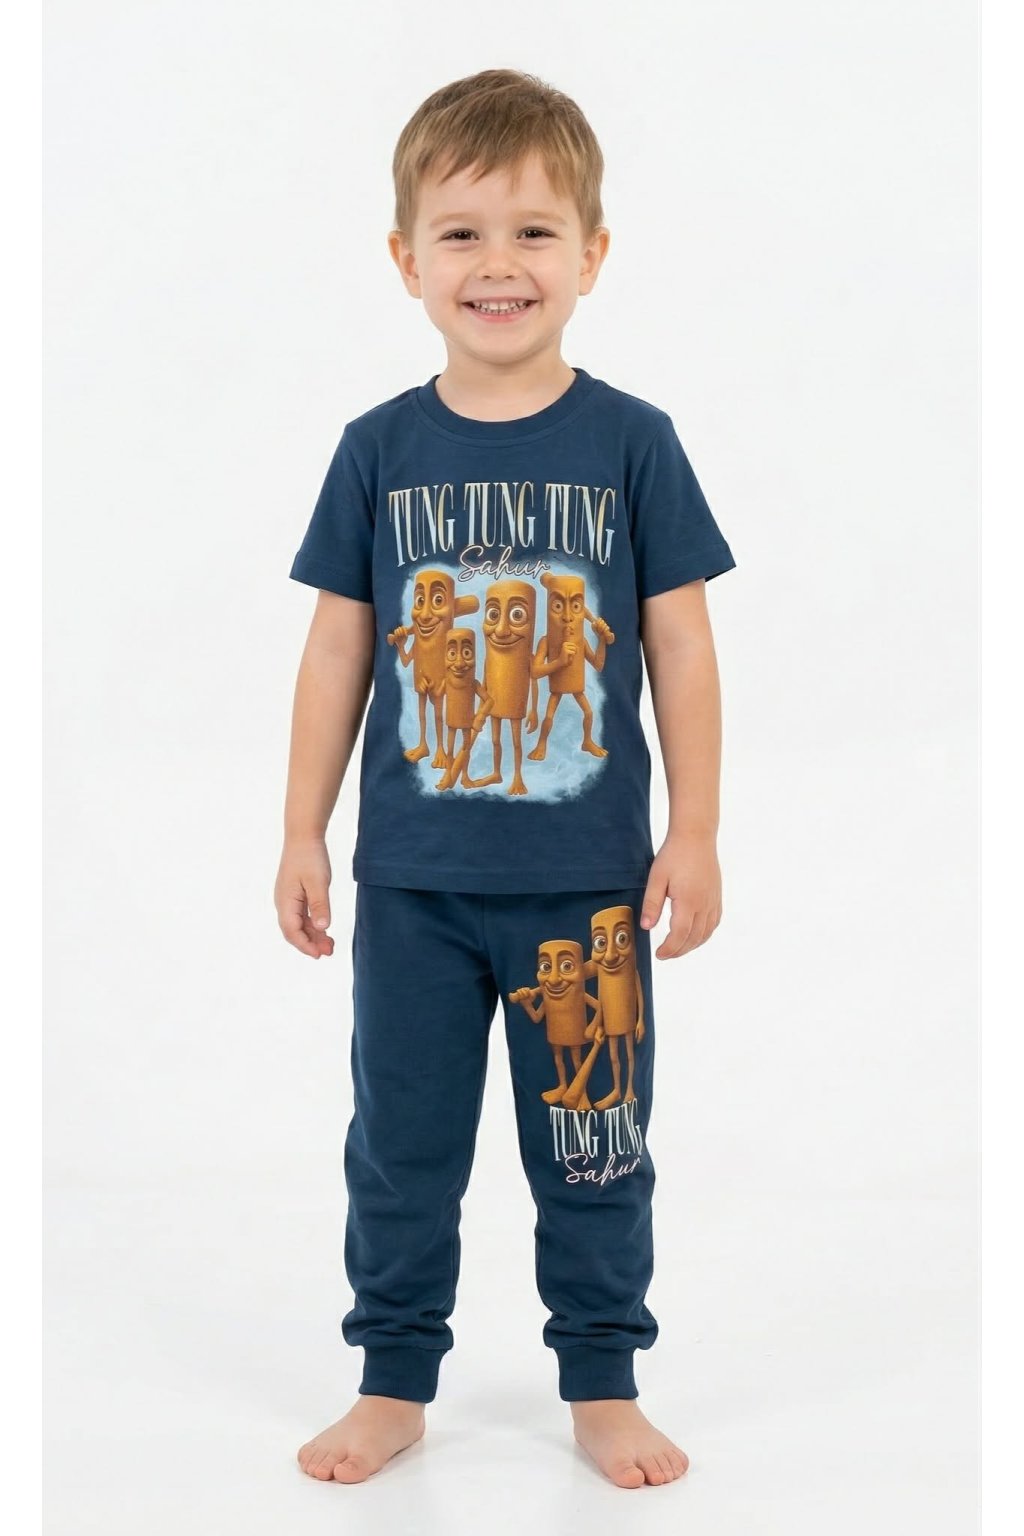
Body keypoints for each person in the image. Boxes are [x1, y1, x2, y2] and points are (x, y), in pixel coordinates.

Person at [275, 67, 735, 1490]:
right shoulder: (377, 450)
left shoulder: (633, 443)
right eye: (462, 232)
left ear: (591, 255)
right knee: (401, 1147)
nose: (499, 264)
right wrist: (301, 832)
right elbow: (337, 651)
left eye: (535, 231)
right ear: (405, 257)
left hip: (588, 887)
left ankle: (602, 1378)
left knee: (595, 1143)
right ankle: (392, 1377)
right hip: (414, 887)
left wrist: (698, 832)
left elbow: (681, 646)